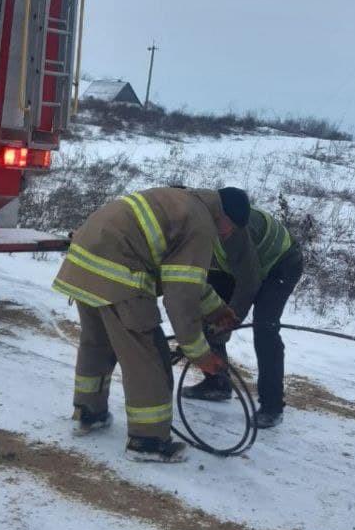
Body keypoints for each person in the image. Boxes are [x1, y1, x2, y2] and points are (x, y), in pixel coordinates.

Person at [52, 186, 247, 462]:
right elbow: (182, 299)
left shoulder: (183, 202)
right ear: (224, 217)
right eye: (231, 229)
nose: (227, 235)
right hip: (120, 274)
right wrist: (200, 354)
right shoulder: (202, 225)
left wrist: (216, 310)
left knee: (98, 344)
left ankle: (88, 413)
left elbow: (181, 278)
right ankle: (148, 442)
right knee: (148, 355)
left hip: (85, 261)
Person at [184, 200, 303, 429]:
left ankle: (272, 406)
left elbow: (249, 283)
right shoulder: (194, 223)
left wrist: (229, 319)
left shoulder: (233, 229)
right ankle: (216, 384)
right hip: (233, 266)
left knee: (264, 329)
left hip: (280, 265)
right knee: (208, 312)